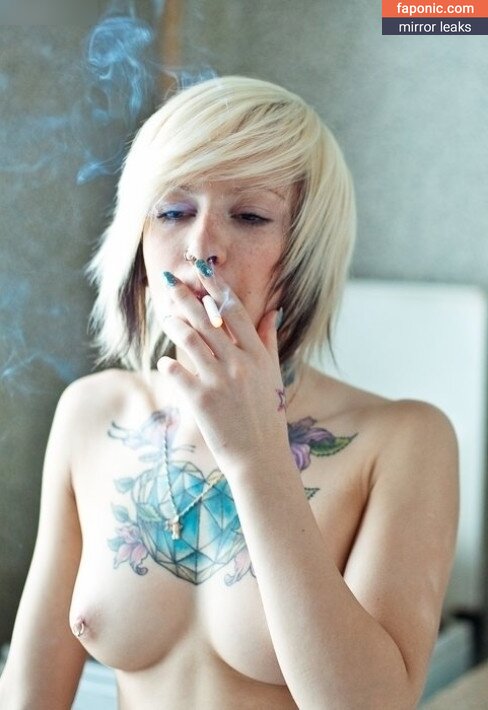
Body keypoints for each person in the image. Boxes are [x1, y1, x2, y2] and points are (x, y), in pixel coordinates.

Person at [0, 76, 458, 709]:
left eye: (249, 216)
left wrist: (255, 454)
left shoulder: (404, 442)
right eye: (172, 212)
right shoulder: (91, 411)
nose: (200, 247)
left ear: (305, 253)